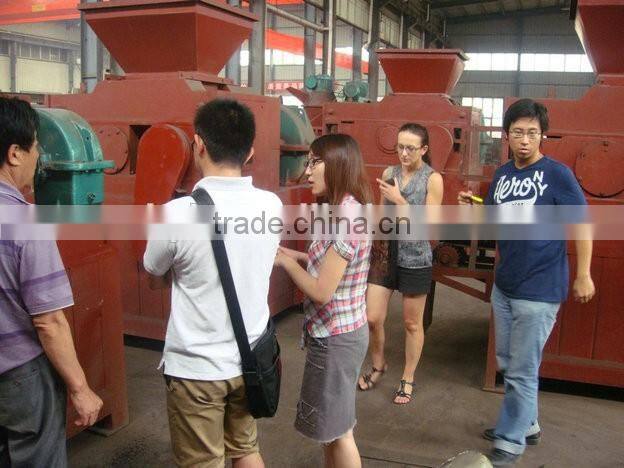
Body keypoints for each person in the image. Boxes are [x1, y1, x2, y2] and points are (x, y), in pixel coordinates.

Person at [144, 98, 282, 468]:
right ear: (250, 152)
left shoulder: (176, 215)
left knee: (203, 461)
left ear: (198, 144)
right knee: (246, 449)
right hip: (250, 361)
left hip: (197, 370)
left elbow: (154, 275)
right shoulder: (271, 206)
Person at [458, 98, 595, 466]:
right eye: (518, 132)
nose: (524, 140)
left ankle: (510, 441)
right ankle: (527, 424)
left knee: (521, 369)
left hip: (540, 288)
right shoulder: (503, 175)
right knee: (508, 362)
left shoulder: (557, 175)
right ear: (507, 135)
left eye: (532, 133)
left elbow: (582, 224)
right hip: (506, 285)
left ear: (542, 135)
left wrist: (583, 274)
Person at [0, 97, 103, 467]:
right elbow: (49, 321)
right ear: (15, 154)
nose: (39, 157)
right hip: (19, 377)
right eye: (35, 147)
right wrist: (81, 388)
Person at [275, 134, 372, 468]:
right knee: (332, 431)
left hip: (336, 339)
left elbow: (322, 291)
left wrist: (286, 264)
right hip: (337, 334)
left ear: (338, 164)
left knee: (340, 433)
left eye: (315, 162)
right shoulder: (342, 208)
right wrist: (299, 257)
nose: (307, 171)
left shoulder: (347, 217)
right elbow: (334, 266)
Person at [357, 123, 443, 405]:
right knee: (372, 317)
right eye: (400, 147)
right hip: (386, 253)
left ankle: (407, 377)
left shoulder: (432, 179)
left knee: (412, 324)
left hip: (416, 255)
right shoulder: (389, 174)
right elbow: (383, 215)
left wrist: (400, 200)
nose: (404, 153)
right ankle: (379, 365)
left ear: (424, 149)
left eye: (411, 148)